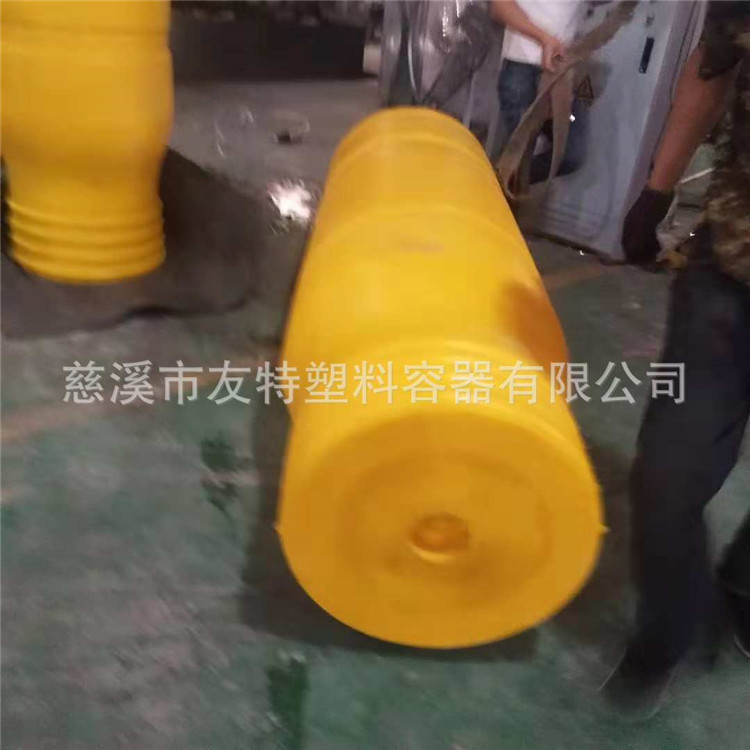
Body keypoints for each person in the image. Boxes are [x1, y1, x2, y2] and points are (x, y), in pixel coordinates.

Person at [605, 0, 750, 717]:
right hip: (730, 272)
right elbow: (712, 64)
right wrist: (656, 190)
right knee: (666, 475)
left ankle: (743, 588)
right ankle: (670, 631)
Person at [490, 0, 585, 174]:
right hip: (521, 71)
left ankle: (503, 180)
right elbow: (499, 6)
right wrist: (544, 39)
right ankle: (501, 181)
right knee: (522, 154)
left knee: (571, 154)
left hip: (561, 72)